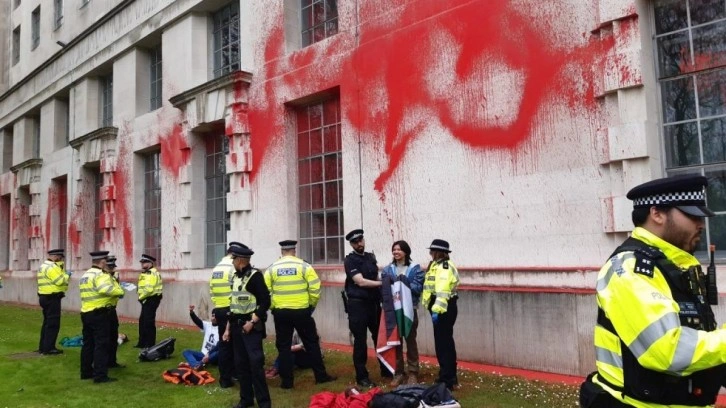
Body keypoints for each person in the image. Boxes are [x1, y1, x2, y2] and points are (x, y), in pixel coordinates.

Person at [580, 174, 726, 408]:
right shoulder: (630, 270)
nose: (701, 224)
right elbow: (666, 349)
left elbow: (698, 335)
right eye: (691, 215)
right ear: (656, 213)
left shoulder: (677, 265)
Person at [264, 239, 335, 389]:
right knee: (311, 344)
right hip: (302, 311)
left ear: (282, 252)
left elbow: (265, 292)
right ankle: (321, 376)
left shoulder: (272, 268)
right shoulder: (304, 266)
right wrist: (310, 306)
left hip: (281, 313)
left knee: (283, 347)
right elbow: (315, 288)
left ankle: (287, 382)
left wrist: (274, 307)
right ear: (294, 251)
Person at [222, 244, 271, 408]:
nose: (232, 261)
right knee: (241, 365)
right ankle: (246, 399)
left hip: (250, 327)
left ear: (241, 260)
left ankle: (264, 402)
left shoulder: (255, 276)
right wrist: (228, 329)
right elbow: (233, 305)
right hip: (236, 326)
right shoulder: (235, 277)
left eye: (234, 259)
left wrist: (253, 321)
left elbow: (265, 301)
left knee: (256, 365)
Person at [343, 229, 386, 388]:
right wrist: (383, 284)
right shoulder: (350, 261)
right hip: (358, 305)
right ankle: (362, 376)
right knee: (360, 341)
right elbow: (360, 282)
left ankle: (385, 369)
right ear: (352, 244)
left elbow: (375, 276)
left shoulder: (370, 257)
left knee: (379, 337)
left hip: (373, 304)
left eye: (360, 240)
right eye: (355, 242)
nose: (359, 244)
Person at [381, 240, 424, 386]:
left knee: (411, 342)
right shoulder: (387, 270)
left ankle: (413, 373)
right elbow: (384, 289)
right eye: (394, 250)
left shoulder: (415, 268)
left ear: (406, 252)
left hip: (410, 311)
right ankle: (398, 373)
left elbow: (418, 288)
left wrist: (403, 282)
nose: (396, 252)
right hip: (393, 313)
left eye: (399, 249)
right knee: (396, 342)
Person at [421, 239, 460, 391]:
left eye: (432, 251)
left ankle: (447, 379)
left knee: (444, 344)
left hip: (443, 308)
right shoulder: (436, 265)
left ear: (438, 252)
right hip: (440, 307)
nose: (430, 254)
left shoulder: (444, 267)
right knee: (444, 343)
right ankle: (448, 375)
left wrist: (436, 310)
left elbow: (442, 291)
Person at [79, 251, 123, 383]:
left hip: (87, 312)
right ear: (103, 262)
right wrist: (120, 291)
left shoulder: (86, 275)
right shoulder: (101, 275)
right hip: (100, 313)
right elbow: (105, 289)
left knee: (88, 344)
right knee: (101, 344)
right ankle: (100, 375)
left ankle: (86, 372)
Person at [208, 242, 241, 388]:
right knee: (235, 345)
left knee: (224, 344)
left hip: (220, 309)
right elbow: (238, 290)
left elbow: (212, 290)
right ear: (235, 255)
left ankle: (225, 378)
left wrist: (217, 306)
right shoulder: (232, 268)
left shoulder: (216, 268)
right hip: (231, 308)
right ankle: (234, 375)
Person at [37, 248, 70, 355]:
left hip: (44, 297)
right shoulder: (52, 267)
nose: (61, 260)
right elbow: (59, 281)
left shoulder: (43, 266)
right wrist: (67, 275)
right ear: (56, 257)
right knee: (53, 324)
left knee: (47, 323)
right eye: (60, 258)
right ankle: (49, 348)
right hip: (52, 298)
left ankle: (43, 346)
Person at [135, 253, 162, 348]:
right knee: (142, 321)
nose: (142, 264)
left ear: (150, 263)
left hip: (151, 299)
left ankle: (150, 344)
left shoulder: (152, 273)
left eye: (144, 262)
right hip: (145, 298)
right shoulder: (145, 273)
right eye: (142, 262)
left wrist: (140, 297)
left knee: (148, 322)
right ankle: (142, 342)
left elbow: (149, 289)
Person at [182, 305, 219, 370]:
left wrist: (208, 354)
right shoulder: (208, 325)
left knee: (218, 352)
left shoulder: (221, 329)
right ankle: (197, 365)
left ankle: (198, 363)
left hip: (212, 356)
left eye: (216, 316)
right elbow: (197, 321)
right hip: (202, 354)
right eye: (213, 316)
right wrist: (192, 312)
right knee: (186, 352)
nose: (213, 318)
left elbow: (218, 346)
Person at [105, 255, 125, 368]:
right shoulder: (102, 276)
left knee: (113, 337)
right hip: (103, 310)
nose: (112, 269)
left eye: (113, 266)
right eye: (110, 266)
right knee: (104, 338)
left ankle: (112, 361)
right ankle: (104, 362)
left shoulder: (114, 275)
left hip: (112, 309)